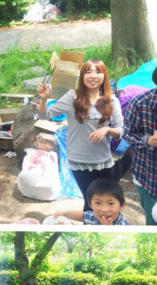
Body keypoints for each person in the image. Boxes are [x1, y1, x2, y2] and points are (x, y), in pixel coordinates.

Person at [37, 59, 123, 209]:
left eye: (98, 72)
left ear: (104, 76)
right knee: (91, 202)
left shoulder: (112, 100)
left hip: (103, 160)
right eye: (88, 72)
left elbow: (120, 131)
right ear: (82, 76)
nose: (93, 76)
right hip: (79, 161)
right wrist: (44, 99)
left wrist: (107, 130)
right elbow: (44, 115)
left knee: (107, 201)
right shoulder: (72, 97)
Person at [123, 67, 157, 226]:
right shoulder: (139, 103)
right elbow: (126, 133)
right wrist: (148, 140)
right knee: (153, 220)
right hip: (149, 176)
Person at [53, 178, 129, 225]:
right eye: (98, 203)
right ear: (90, 204)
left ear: (122, 205)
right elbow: (83, 216)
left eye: (111, 203)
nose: (104, 209)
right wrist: (65, 214)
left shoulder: (124, 226)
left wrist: (109, 230)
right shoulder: (94, 216)